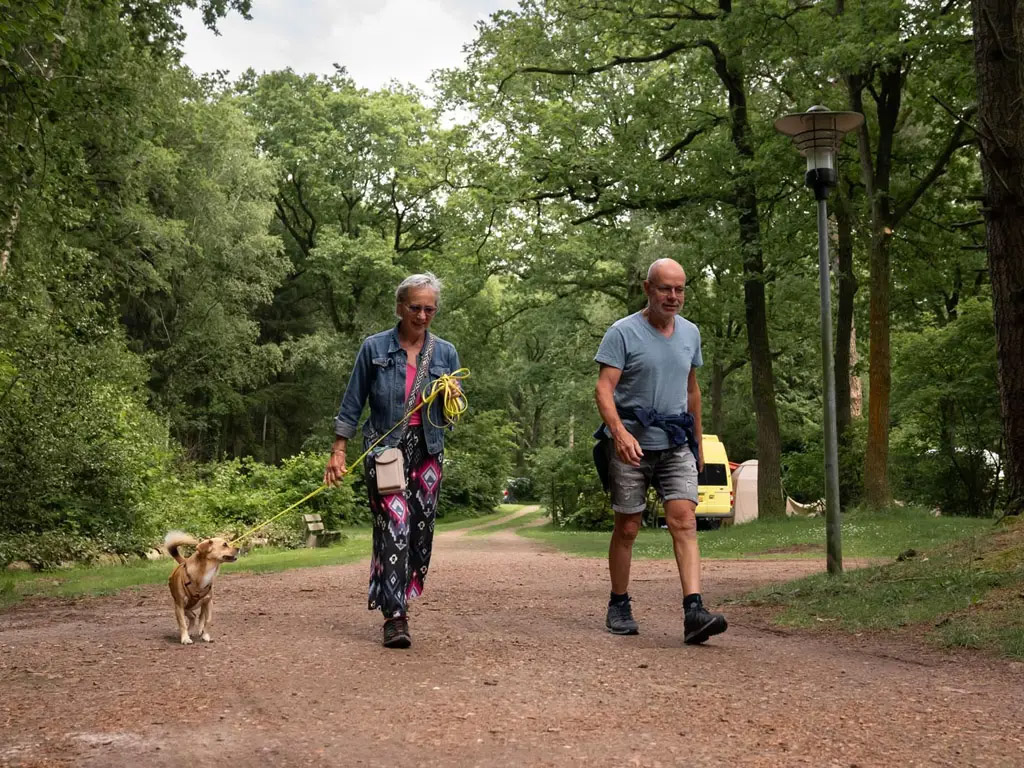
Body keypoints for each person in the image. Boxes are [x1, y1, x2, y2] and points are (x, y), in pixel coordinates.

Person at [593, 258, 727, 644]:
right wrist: (619, 433)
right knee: (628, 526)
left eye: (680, 289)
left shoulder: (690, 334)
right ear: (647, 289)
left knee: (684, 520)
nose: (673, 297)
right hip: (631, 445)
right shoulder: (622, 333)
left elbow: (692, 391)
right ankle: (619, 603)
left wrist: (698, 443)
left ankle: (694, 611)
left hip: (676, 443)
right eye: (665, 288)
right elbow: (604, 389)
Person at [324, 273, 461, 649]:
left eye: (429, 309)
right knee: (395, 524)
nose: (421, 315)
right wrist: (339, 449)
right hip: (386, 449)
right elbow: (353, 402)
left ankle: (401, 590)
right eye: (414, 307)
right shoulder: (374, 348)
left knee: (420, 532)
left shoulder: (446, 353)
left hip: (429, 450)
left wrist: (450, 397)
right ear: (400, 307)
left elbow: (451, 416)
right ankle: (395, 616)